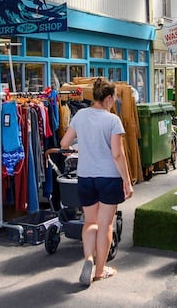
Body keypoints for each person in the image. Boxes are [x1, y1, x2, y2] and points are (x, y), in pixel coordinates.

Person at [60, 78, 134, 286]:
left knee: (90, 222)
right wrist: (127, 182)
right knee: (105, 225)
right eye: (114, 99)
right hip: (109, 178)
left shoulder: (80, 116)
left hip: (85, 177)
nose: (114, 102)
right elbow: (118, 155)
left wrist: (81, 147)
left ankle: (88, 259)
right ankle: (100, 271)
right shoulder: (112, 121)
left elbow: (65, 143)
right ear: (109, 98)